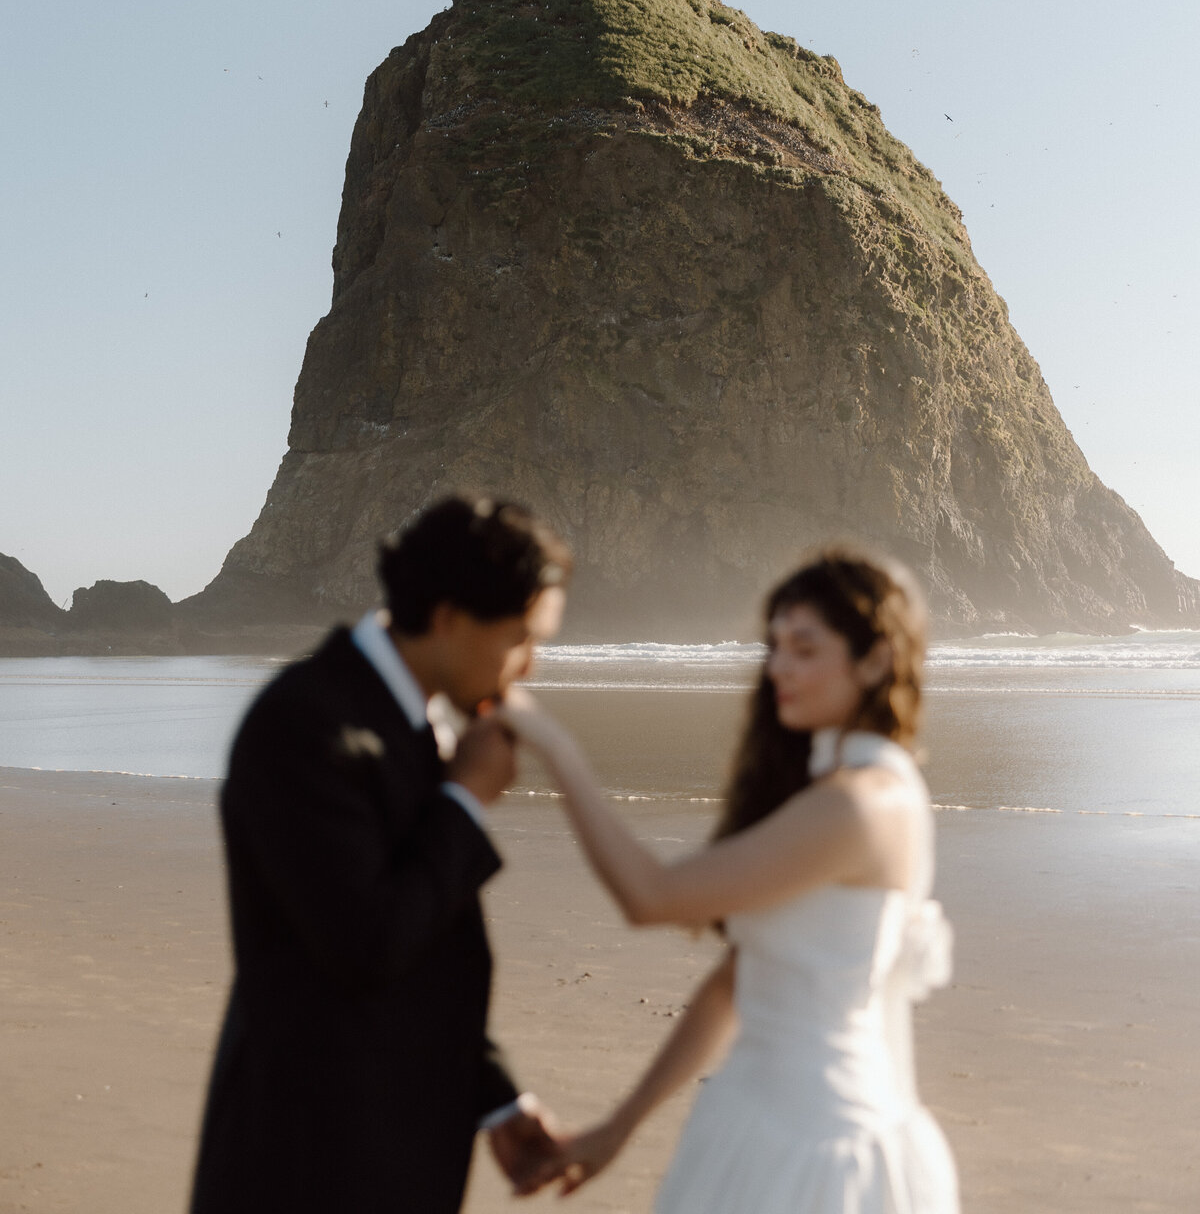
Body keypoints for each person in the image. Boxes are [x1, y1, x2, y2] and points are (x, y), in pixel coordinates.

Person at [501, 547, 960, 1214]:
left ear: (875, 658)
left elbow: (650, 896)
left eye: (804, 648)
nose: (778, 667)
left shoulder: (862, 804)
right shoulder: (829, 791)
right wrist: (617, 1129)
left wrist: (556, 745)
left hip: (818, 1151)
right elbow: (734, 985)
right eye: (775, 646)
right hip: (749, 1124)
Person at [189, 495, 572, 1214]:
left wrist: (493, 1099)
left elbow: (422, 958)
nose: (531, 667)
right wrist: (464, 803)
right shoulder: (305, 724)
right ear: (451, 616)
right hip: (305, 1162)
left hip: (388, 1149)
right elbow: (367, 943)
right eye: (522, 637)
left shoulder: (407, 718)